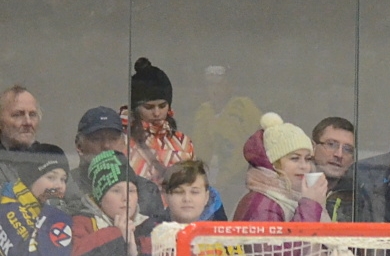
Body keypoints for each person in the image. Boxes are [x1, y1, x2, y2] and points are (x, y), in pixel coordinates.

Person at [233, 113, 329, 256]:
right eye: (294, 158)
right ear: (273, 164)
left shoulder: (296, 197)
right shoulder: (261, 202)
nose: (304, 166)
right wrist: (310, 205)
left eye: (308, 158)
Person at [65, 106, 167, 222]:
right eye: (96, 139)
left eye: (113, 139)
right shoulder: (64, 187)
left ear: (124, 143)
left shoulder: (146, 191)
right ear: (79, 145)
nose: (106, 146)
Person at [189, 65, 263, 209]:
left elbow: (259, 142)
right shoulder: (203, 111)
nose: (215, 90)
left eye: (219, 84)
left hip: (239, 180)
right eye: (210, 85)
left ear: (230, 85)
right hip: (209, 180)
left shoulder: (243, 107)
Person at [69, 149, 154, 256]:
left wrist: (135, 254)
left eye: (131, 191)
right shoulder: (82, 223)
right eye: (116, 191)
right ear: (100, 197)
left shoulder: (149, 226)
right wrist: (116, 234)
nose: (126, 198)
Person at [123, 58, 196, 190]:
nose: (157, 113)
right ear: (135, 108)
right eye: (149, 107)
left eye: (162, 106)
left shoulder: (184, 142)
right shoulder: (122, 141)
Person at [0, 145, 74, 256]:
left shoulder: (59, 210)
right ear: (30, 180)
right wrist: (55, 215)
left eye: (63, 179)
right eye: (51, 177)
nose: (59, 185)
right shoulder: (7, 209)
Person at [311, 116, 356, 220]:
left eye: (347, 149)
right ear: (313, 146)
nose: (339, 154)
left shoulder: (358, 198)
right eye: (331, 144)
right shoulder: (293, 187)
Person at [0, 86, 46, 187]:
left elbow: (75, 201)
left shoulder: (49, 157)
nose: (28, 122)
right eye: (18, 115)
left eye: (33, 114)